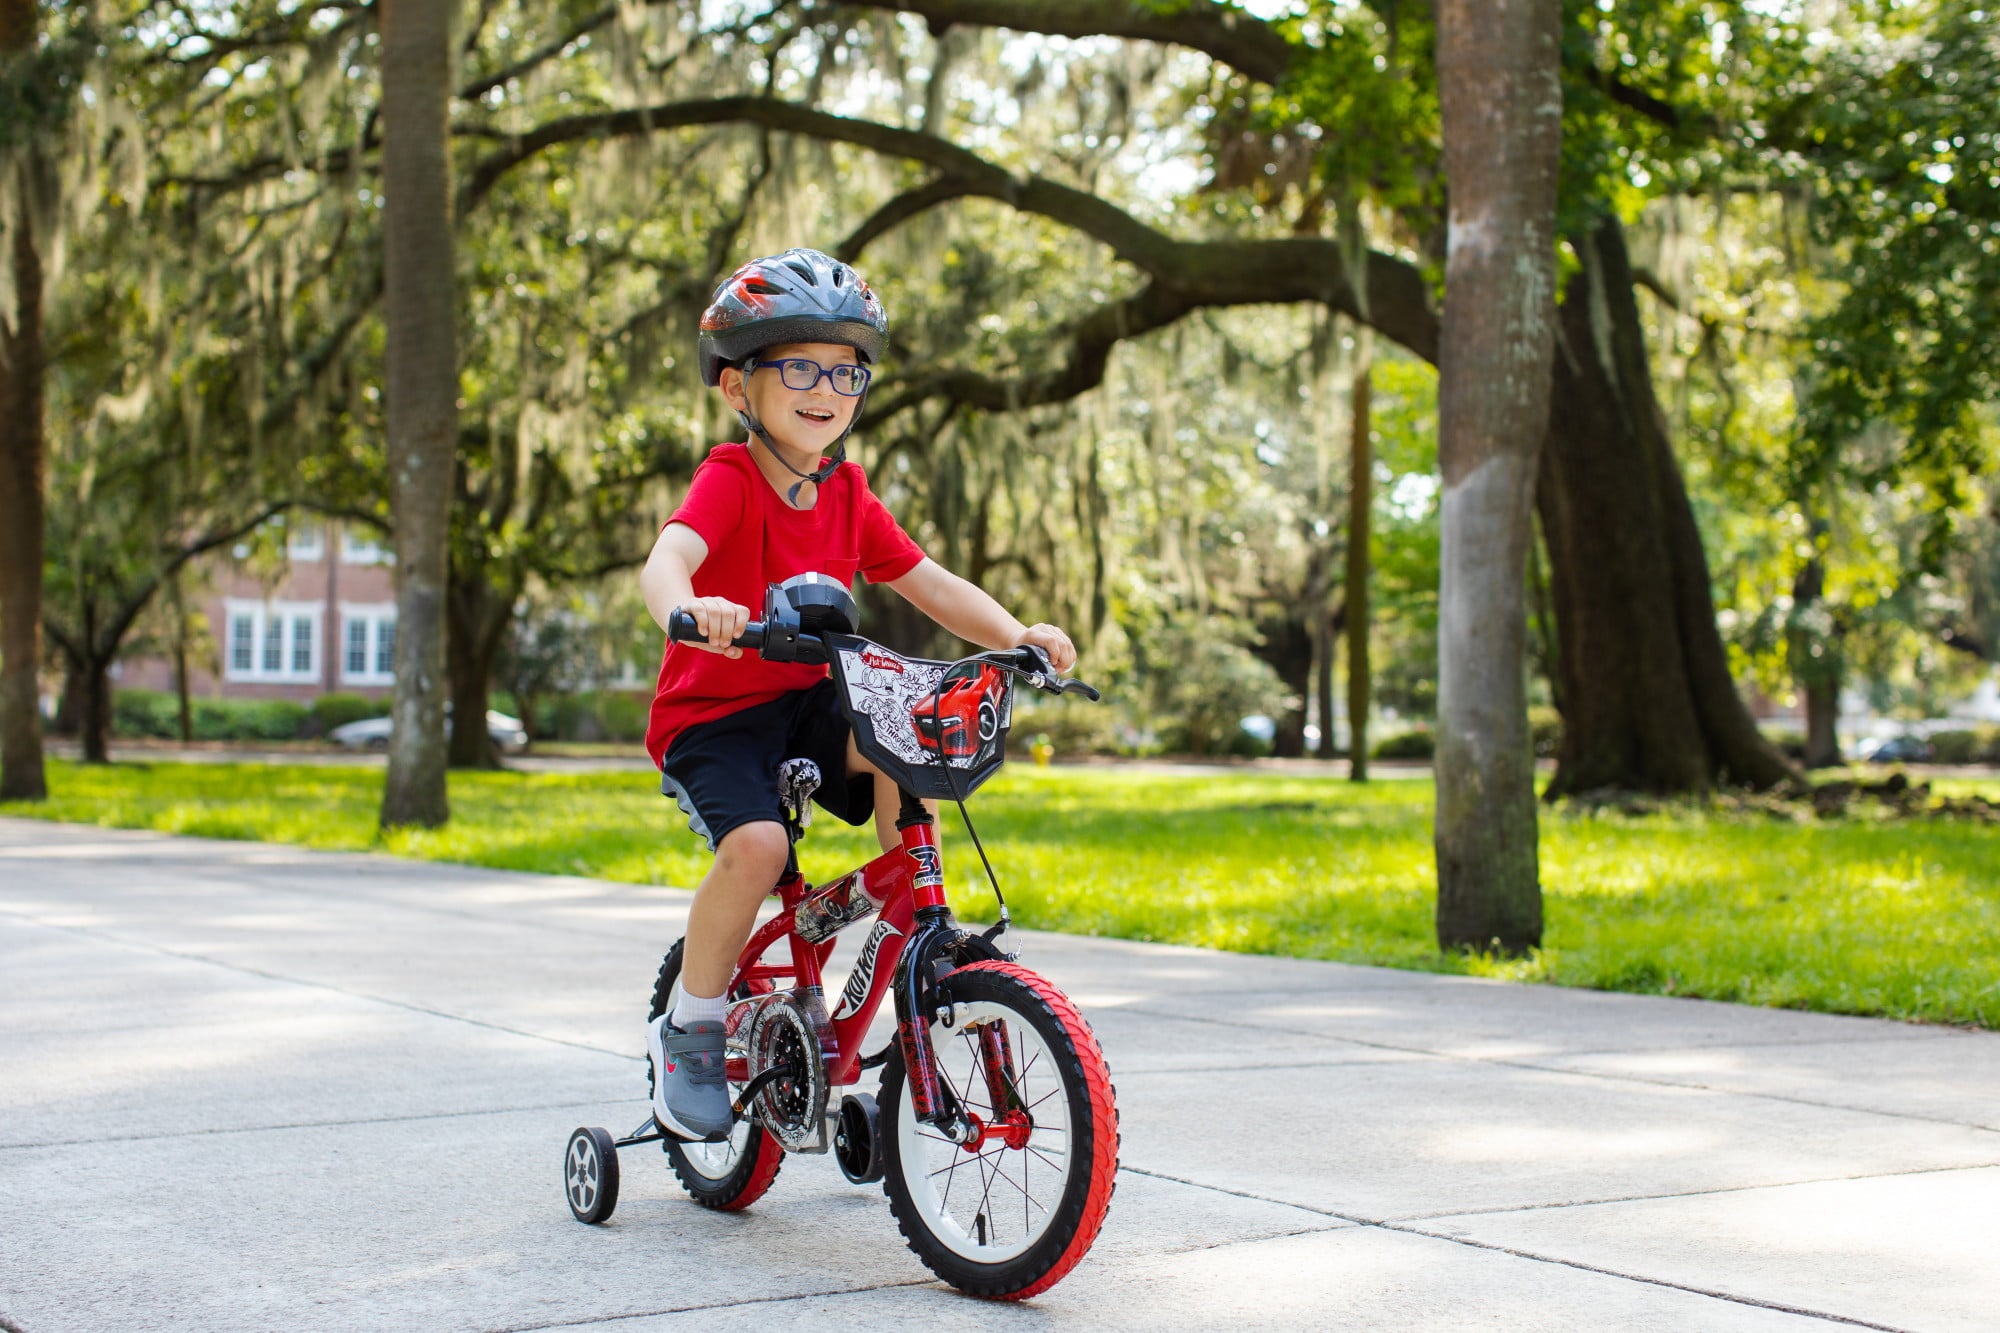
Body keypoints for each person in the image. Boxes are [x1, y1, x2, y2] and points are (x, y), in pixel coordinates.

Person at [637, 247, 1078, 1141]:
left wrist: (1016, 635)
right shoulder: (730, 477)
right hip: (716, 716)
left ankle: (922, 915)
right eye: (798, 365)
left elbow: (931, 582)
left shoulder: (848, 491)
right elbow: (668, 557)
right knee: (758, 848)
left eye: (845, 371)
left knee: (910, 734)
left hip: (809, 699)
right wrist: (690, 610)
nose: (824, 387)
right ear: (738, 387)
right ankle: (689, 1024)